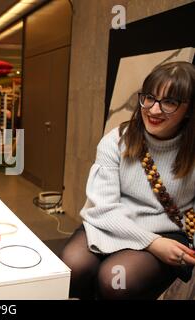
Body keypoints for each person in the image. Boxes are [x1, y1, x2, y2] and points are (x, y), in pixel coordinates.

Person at [60, 61, 195, 300]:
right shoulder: (116, 141)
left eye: (170, 102)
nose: (154, 110)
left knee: (116, 280)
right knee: (72, 268)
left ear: (189, 108)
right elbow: (103, 208)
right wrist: (151, 243)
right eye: (149, 98)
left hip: (166, 231)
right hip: (112, 221)